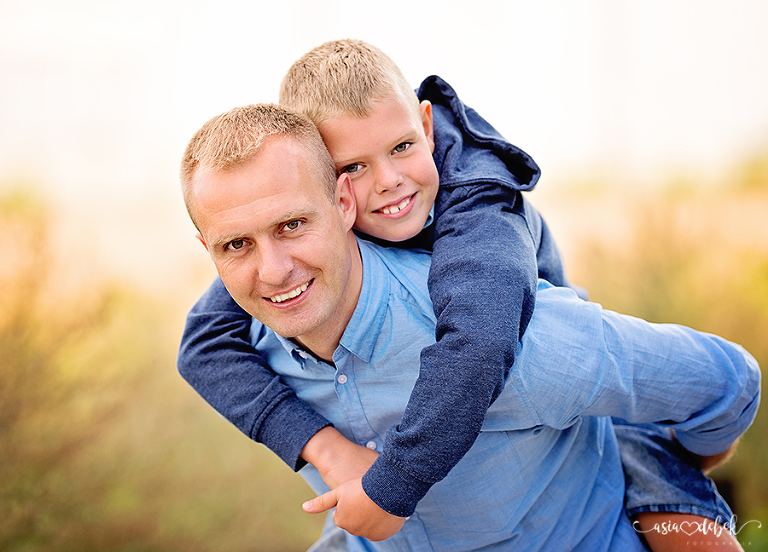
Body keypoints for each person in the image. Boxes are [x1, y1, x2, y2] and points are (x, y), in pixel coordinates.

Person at [178, 39, 748, 548]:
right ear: (331, 183)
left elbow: (479, 348)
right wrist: (324, 447)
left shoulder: (480, 219)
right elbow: (201, 343)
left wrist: (389, 487)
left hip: (573, 394)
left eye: (401, 148)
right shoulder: (278, 261)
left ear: (425, 128)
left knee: (672, 504)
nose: (390, 180)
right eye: (354, 164)